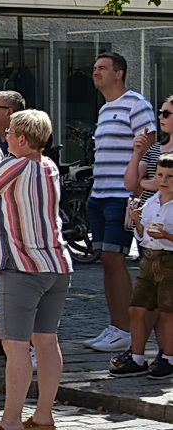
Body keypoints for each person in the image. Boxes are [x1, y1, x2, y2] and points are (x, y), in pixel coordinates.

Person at [0, 109, 72, 430]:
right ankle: (44, 414)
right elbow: (4, 204)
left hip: (21, 266)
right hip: (57, 264)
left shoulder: (14, 163)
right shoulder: (49, 166)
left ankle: (11, 421)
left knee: (15, 346)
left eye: (11, 132)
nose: (6, 136)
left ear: (23, 138)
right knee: (46, 341)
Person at [87, 52, 154, 352]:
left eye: (103, 68)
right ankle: (116, 326)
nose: (96, 72)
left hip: (120, 195)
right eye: (94, 68)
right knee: (105, 260)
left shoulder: (136, 104)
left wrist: (137, 193)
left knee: (115, 259)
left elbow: (148, 147)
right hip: (99, 194)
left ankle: (126, 330)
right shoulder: (104, 110)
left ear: (120, 73)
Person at [114, 152, 173, 378]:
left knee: (168, 312)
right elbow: (142, 234)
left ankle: (168, 357)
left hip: (169, 261)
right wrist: (137, 221)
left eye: (170, 176)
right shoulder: (151, 201)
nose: (163, 181)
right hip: (149, 259)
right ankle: (137, 357)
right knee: (137, 309)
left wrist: (167, 235)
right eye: (160, 175)